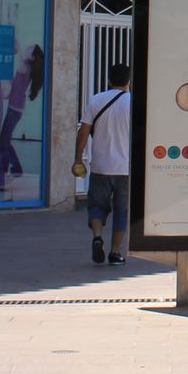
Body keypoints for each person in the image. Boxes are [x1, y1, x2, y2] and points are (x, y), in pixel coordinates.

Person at [74, 64, 131, 266]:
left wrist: (78, 159)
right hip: (125, 168)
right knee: (122, 211)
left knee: (97, 204)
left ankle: (98, 236)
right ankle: (115, 253)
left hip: (100, 166)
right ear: (128, 81)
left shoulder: (96, 100)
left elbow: (83, 132)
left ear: (109, 80)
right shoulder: (133, 103)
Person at [0, 44, 45, 191]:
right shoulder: (28, 67)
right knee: (4, 141)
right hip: (16, 108)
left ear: (32, 56)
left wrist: (15, 42)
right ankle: (7, 172)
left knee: (3, 141)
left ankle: (15, 169)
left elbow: (19, 50)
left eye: (29, 49)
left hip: (14, 109)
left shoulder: (24, 65)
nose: (27, 48)